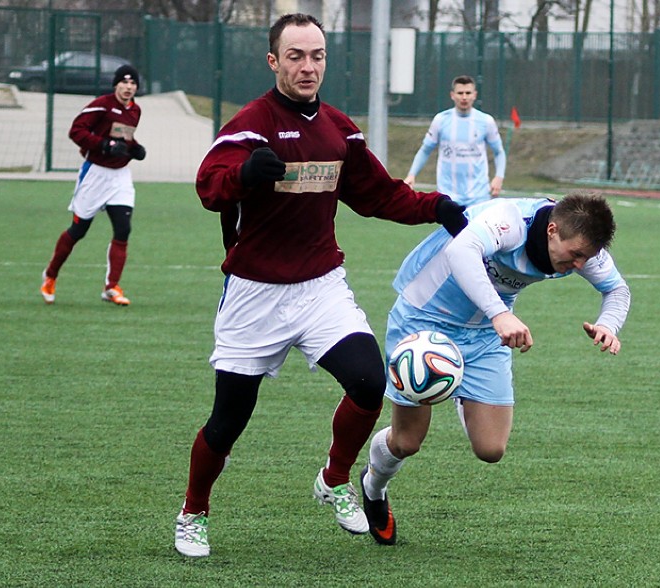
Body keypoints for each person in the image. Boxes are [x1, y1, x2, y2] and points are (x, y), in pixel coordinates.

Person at [173, 13, 466, 558]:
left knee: (368, 383)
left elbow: (379, 194)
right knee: (228, 421)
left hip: (321, 288)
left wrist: (438, 207)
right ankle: (193, 511)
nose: (308, 67)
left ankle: (333, 480)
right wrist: (244, 175)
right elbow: (209, 186)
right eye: (295, 56)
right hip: (254, 294)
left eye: (317, 56)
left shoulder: (338, 128)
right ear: (273, 61)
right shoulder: (250, 125)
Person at [359, 191, 631, 545]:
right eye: (576, 255)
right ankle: (373, 486)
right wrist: (500, 314)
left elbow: (618, 290)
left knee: (491, 449)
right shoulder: (509, 220)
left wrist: (608, 325)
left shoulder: (582, 245)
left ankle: (462, 393)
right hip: (424, 320)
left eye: (587, 257)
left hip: (485, 334)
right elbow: (460, 251)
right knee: (408, 442)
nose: (580, 264)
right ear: (552, 230)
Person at [39, 65, 146, 305]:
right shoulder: (102, 104)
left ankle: (112, 287)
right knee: (78, 230)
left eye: (133, 83)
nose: (128, 87)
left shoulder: (135, 110)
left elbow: (124, 137)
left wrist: (135, 149)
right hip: (95, 174)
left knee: (123, 228)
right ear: (115, 85)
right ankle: (50, 275)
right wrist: (103, 146)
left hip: (120, 176)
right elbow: (76, 131)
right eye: (124, 82)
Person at [403, 75, 506, 206]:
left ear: (474, 95)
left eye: (468, 93)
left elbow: (499, 152)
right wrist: (412, 174)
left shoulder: (486, 121)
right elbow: (425, 150)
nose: (464, 97)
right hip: (448, 195)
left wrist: (499, 177)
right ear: (452, 95)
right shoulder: (440, 120)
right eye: (460, 93)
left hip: (478, 196)